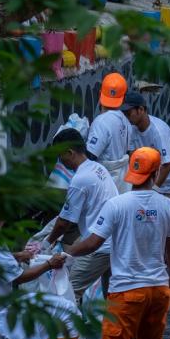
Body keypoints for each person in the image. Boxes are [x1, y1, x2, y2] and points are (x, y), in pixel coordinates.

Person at [65, 147, 170, 339]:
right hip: (158, 290)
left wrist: (67, 254)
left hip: (125, 293)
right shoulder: (167, 206)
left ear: (132, 172)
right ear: (155, 173)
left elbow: (93, 243)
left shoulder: (117, 205)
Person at [122, 91, 170, 275]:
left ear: (141, 110)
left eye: (129, 112)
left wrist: (153, 188)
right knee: (159, 226)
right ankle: (164, 267)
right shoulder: (132, 129)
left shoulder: (158, 130)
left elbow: (168, 163)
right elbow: (133, 156)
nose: (126, 116)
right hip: (157, 183)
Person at [43, 128, 118, 300]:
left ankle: (71, 327)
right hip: (114, 241)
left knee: (69, 292)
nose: (60, 161)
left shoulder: (80, 180)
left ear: (69, 152)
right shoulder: (98, 168)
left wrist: (45, 243)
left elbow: (64, 222)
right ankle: (110, 326)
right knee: (112, 293)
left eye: (60, 156)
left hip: (99, 245)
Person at [86, 72, 132, 192]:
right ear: (123, 99)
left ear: (100, 94)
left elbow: (90, 156)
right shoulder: (125, 120)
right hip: (124, 180)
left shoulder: (101, 122)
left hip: (105, 179)